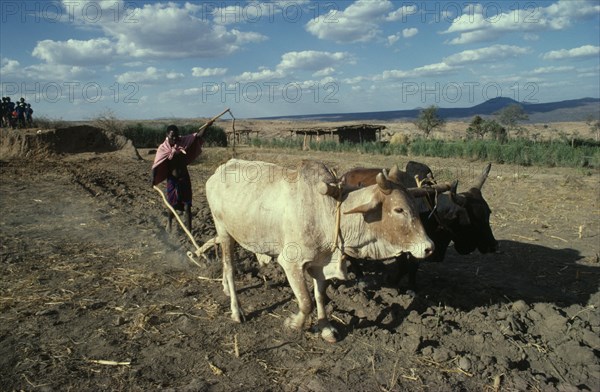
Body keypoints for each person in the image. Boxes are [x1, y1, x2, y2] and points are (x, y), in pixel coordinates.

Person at [151, 122, 213, 232]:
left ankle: (189, 231)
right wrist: (153, 180)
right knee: (172, 204)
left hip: (184, 178)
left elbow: (197, 136)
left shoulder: (182, 141)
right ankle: (169, 223)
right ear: (167, 135)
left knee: (187, 206)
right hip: (172, 180)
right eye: (172, 136)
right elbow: (156, 165)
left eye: (176, 136)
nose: (174, 138)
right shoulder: (163, 148)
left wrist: (207, 126)